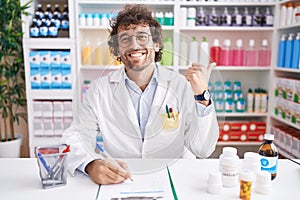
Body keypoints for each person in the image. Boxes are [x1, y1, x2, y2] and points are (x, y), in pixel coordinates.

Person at [62, 4, 219, 185]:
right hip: (121, 179)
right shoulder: (100, 90)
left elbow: (203, 149)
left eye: (142, 37)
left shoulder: (181, 86)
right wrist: (90, 164)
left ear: (157, 43)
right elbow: (74, 136)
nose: (134, 45)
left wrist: (202, 97)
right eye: (125, 39)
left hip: (174, 179)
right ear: (117, 49)